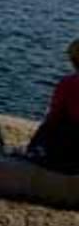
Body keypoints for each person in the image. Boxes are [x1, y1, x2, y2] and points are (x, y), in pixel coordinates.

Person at [26, 40, 79, 173]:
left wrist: (34, 143)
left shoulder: (68, 83)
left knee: (55, 124)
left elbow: (54, 117)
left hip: (70, 154)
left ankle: (37, 152)